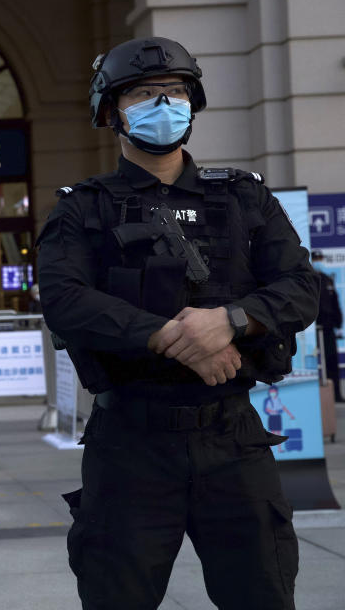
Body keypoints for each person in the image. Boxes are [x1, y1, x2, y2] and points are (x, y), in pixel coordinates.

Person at [37, 37, 320, 610]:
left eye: (176, 92)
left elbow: (301, 288)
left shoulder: (244, 197)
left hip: (233, 439)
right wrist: (171, 337)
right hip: (130, 445)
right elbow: (65, 300)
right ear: (111, 111)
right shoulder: (82, 207)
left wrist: (232, 321)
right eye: (144, 93)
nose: (163, 104)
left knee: (263, 593)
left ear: (193, 103)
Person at [312, 250, 344, 401]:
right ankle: (315, 397)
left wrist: (338, 322)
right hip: (313, 330)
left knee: (331, 362)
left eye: (320, 258)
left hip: (328, 329)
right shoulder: (309, 279)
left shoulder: (327, 279)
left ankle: (336, 394)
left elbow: (335, 303)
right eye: (316, 258)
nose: (318, 261)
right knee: (313, 364)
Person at [263, 385, 295, 451]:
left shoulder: (278, 400)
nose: (273, 393)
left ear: (276, 392)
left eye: (274, 391)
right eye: (271, 391)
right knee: (272, 432)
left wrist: (290, 415)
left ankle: (279, 449)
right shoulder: (269, 401)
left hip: (277, 417)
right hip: (272, 417)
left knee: (278, 433)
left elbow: (283, 408)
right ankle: (269, 449)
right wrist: (274, 411)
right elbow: (267, 409)